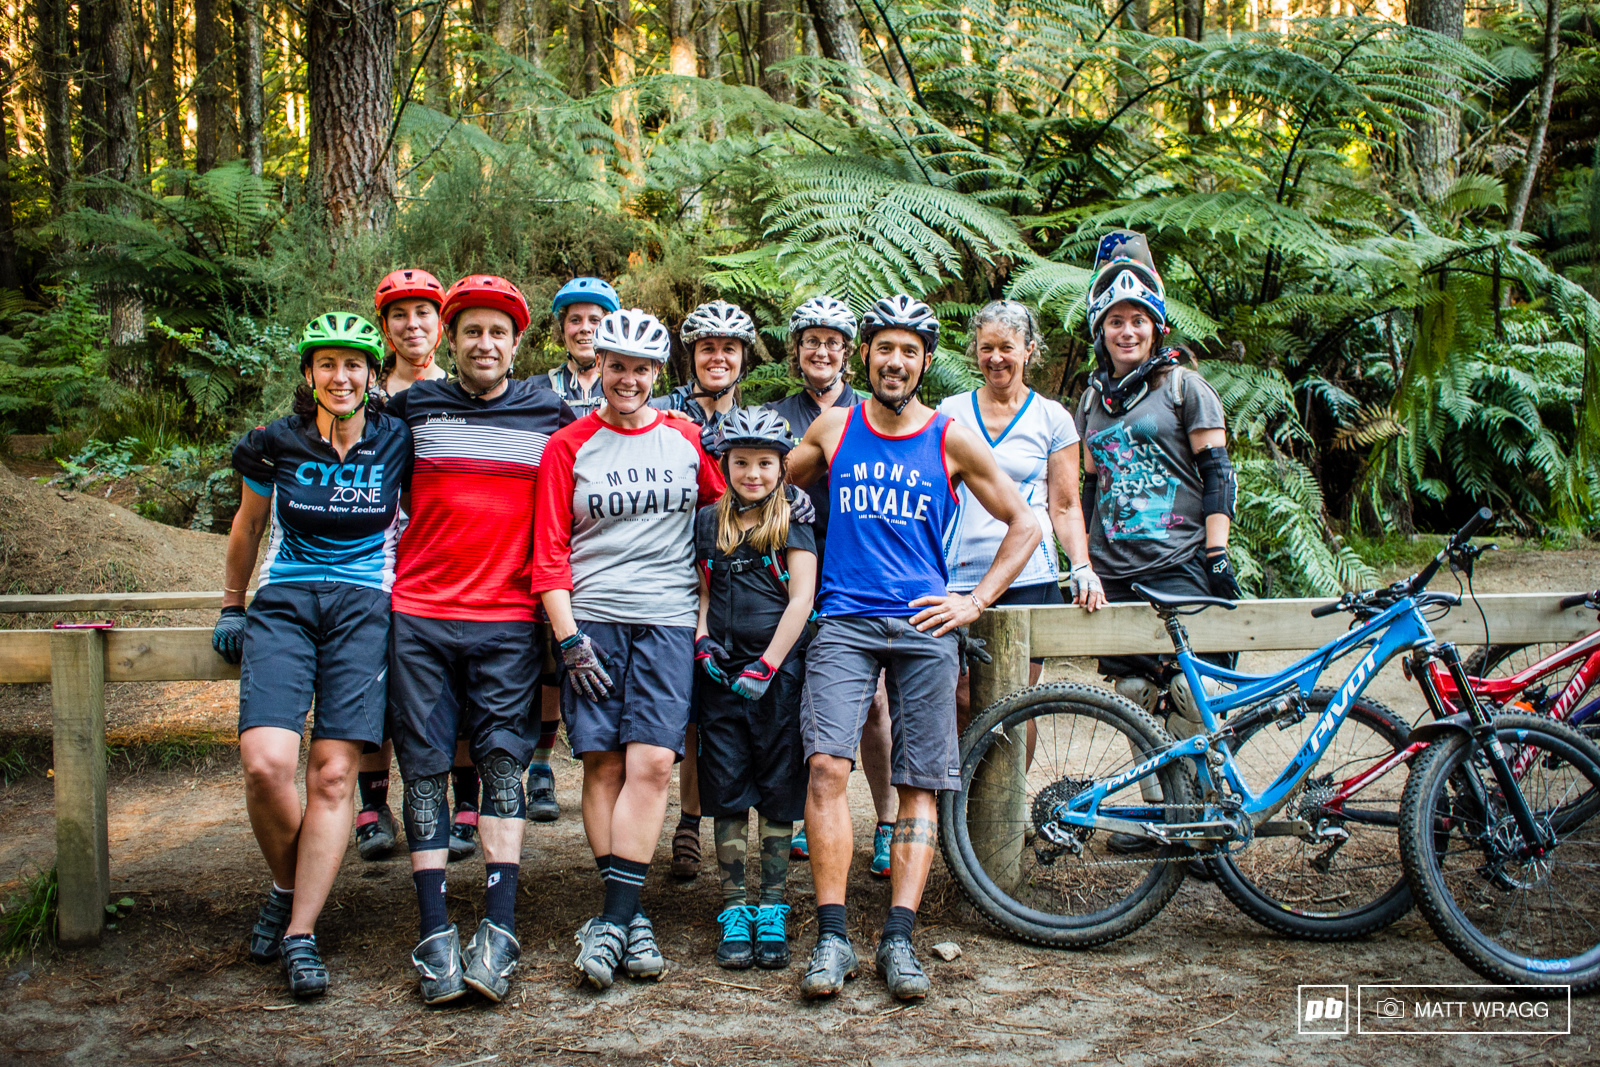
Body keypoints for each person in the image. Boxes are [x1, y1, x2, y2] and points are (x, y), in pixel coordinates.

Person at [786, 294, 1038, 1001]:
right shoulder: (836, 429)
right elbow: (770, 486)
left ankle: (899, 934)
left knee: (918, 783)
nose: (895, 361)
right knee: (828, 768)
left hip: (927, 626)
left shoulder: (952, 437)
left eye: (909, 350)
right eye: (884, 348)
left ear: (926, 361)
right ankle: (832, 935)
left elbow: (1025, 522)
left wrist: (975, 599)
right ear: (865, 355)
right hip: (844, 620)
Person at [385, 274, 575, 1005]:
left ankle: (499, 929)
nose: (484, 343)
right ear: (448, 339)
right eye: (471, 331)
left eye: (498, 332)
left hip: (508, 619)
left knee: (503, 767)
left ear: (517, 342)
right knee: (426, 770)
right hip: (420, 614)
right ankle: (434, 930)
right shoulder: (409, 409)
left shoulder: (548, 413)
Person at [212, 312, 410, 998]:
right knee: (265, 762)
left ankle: (299, 929)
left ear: (371, 373)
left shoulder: (396, 439)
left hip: (365, 607)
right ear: (308, 375)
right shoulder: (276, 443)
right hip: (286, 603)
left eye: (353, 363)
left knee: (332, 776)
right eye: (326, 363)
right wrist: (232, 602)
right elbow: (248, 524)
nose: (341, 376)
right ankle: (288, 880)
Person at [531, 308, 727, 990]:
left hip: (667, 623)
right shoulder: (569, 446)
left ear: (656, 374)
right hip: (595, 621)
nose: (628, 378)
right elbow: (548, 552)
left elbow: (726, 514)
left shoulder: (685, 438)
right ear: (600, 365)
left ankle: (612, 918)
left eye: (642, 368)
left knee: (651, 762)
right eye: (617, 365)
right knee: (605, 764)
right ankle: (629, 912)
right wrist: (569, 638)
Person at [1072, 231, 1240, 852]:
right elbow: (1090, 490)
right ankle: (1161, 813)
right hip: (1116, 570)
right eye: (1116, 320)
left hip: (1178, 560)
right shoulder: (1092, 398)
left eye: (1138, 320)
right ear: (1101, 328)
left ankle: (1203, 815)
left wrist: (1217, 553)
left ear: (1156, 326)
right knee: (1137, 695)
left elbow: (1218, 471)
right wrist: (1082, 563)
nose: (1127, 331)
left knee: (1195, 697)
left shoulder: (1184, 387)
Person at [765, 297, 898, 880]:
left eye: (833, 343)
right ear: (797, 351)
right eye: (811, 341)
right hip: (787, 571)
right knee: (799, 693)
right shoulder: (775, 414)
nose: (822, 351)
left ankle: (887, 821)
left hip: (853, 571)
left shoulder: (874, 410)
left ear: (851, 353)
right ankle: (801, 813)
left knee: (873, 704)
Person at [356, 268, 483, 865]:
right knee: (376, 685)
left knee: (455, 690)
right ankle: (372, 805)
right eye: (399, 316)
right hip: (378, 554)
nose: (413, 326)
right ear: (384, 326)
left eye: (424, 315)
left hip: (451, 556)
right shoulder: (363, 388)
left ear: (442, 325)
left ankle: (464, 805)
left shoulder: (459, 386)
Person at [938, 300, 1108, 729]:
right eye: (986, 347)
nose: (996, 358)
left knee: (1016, 704)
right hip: (959, 572)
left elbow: (1065, 504)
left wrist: (1082, 567)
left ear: (1029, 350)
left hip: (1029, 576)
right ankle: (964, 796)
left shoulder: (1052, 417)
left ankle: (1006, 796)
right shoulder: (949, 412)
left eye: (1007, 347)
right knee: (960, 699)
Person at [694, 408, 816, 971]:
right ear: (725, 465)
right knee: (725, 786)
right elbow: (701, 592)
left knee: (774, 785)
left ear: (782, 467)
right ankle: (732, 904)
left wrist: (768, 665)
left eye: (765, 463)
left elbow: (802, 599)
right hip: (720, 677)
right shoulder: (707, 522)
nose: (752, 473)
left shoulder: (793, 521)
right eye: (741, 462)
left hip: (776, 679)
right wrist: (702, 643)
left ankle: (772, 904)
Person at [649, 299, 760, 879]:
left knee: (717, 706)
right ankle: (683, 821)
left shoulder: (756, 420)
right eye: (707, 348)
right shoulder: (661, 411)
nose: (718, 358)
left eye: (729, 349)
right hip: (669, 570)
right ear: (690, 356)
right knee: (684, 710)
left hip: (733, 580)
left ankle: (695, 819)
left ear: (743, 358)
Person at [521, 276, 624, 824]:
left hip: (607, 541)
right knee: (546, 659)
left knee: (574, 664)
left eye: (596, 319)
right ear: (561, 329)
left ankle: (578, 767)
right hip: (549, 531)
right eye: (576, 320)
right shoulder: (535, 390)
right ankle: (539, 765)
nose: (586, 328)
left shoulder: (631, 383)